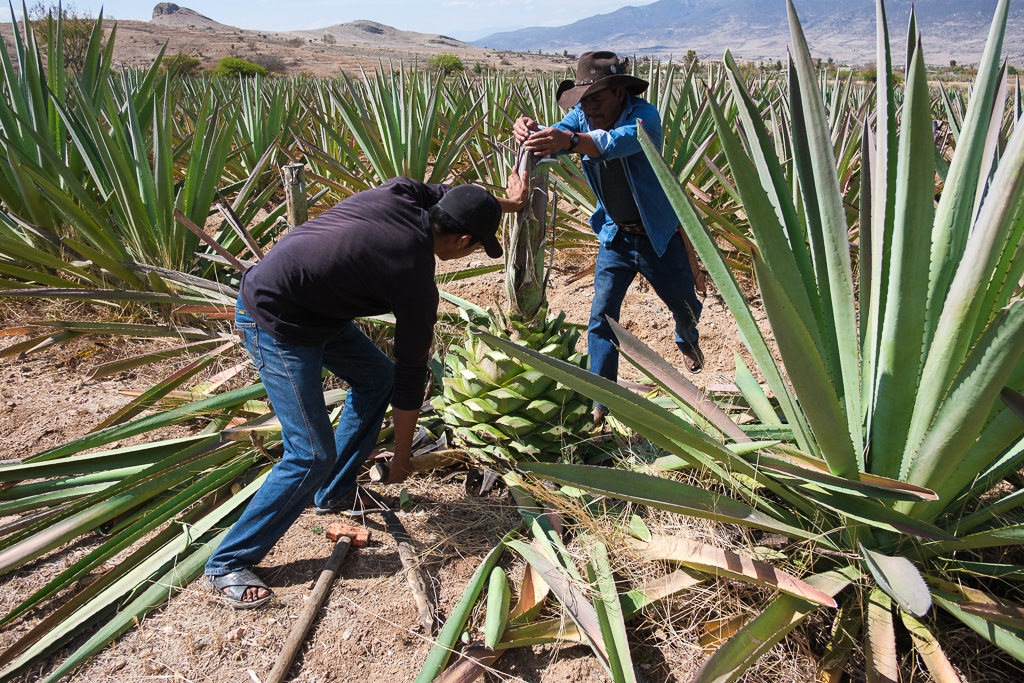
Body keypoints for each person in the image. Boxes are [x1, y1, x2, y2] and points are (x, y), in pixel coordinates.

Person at [205, 174, 526, 609]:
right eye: (473, 247)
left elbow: (454, 196)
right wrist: (402, 456)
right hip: (275, 321)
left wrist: (510, 203)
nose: (467, 255)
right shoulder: (413, 278)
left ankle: (332, 492)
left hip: (315, 309)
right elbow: (413, 375)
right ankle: (228, 562)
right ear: (463, 239)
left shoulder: (405, 194)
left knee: (377, 378)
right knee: (310, 452)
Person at [513, 51, 704, 424]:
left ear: (619, 92)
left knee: (685, 306)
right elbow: (560, 131)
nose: (589, 109)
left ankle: (687, 338)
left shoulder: (644, 117)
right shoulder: (584, 114)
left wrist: (568, 141)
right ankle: (602, 400)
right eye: (584, 102)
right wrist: (529, 129)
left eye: (596, 99)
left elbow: (614, 142)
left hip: (657, 236)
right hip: (616, 236)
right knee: (602, 318)